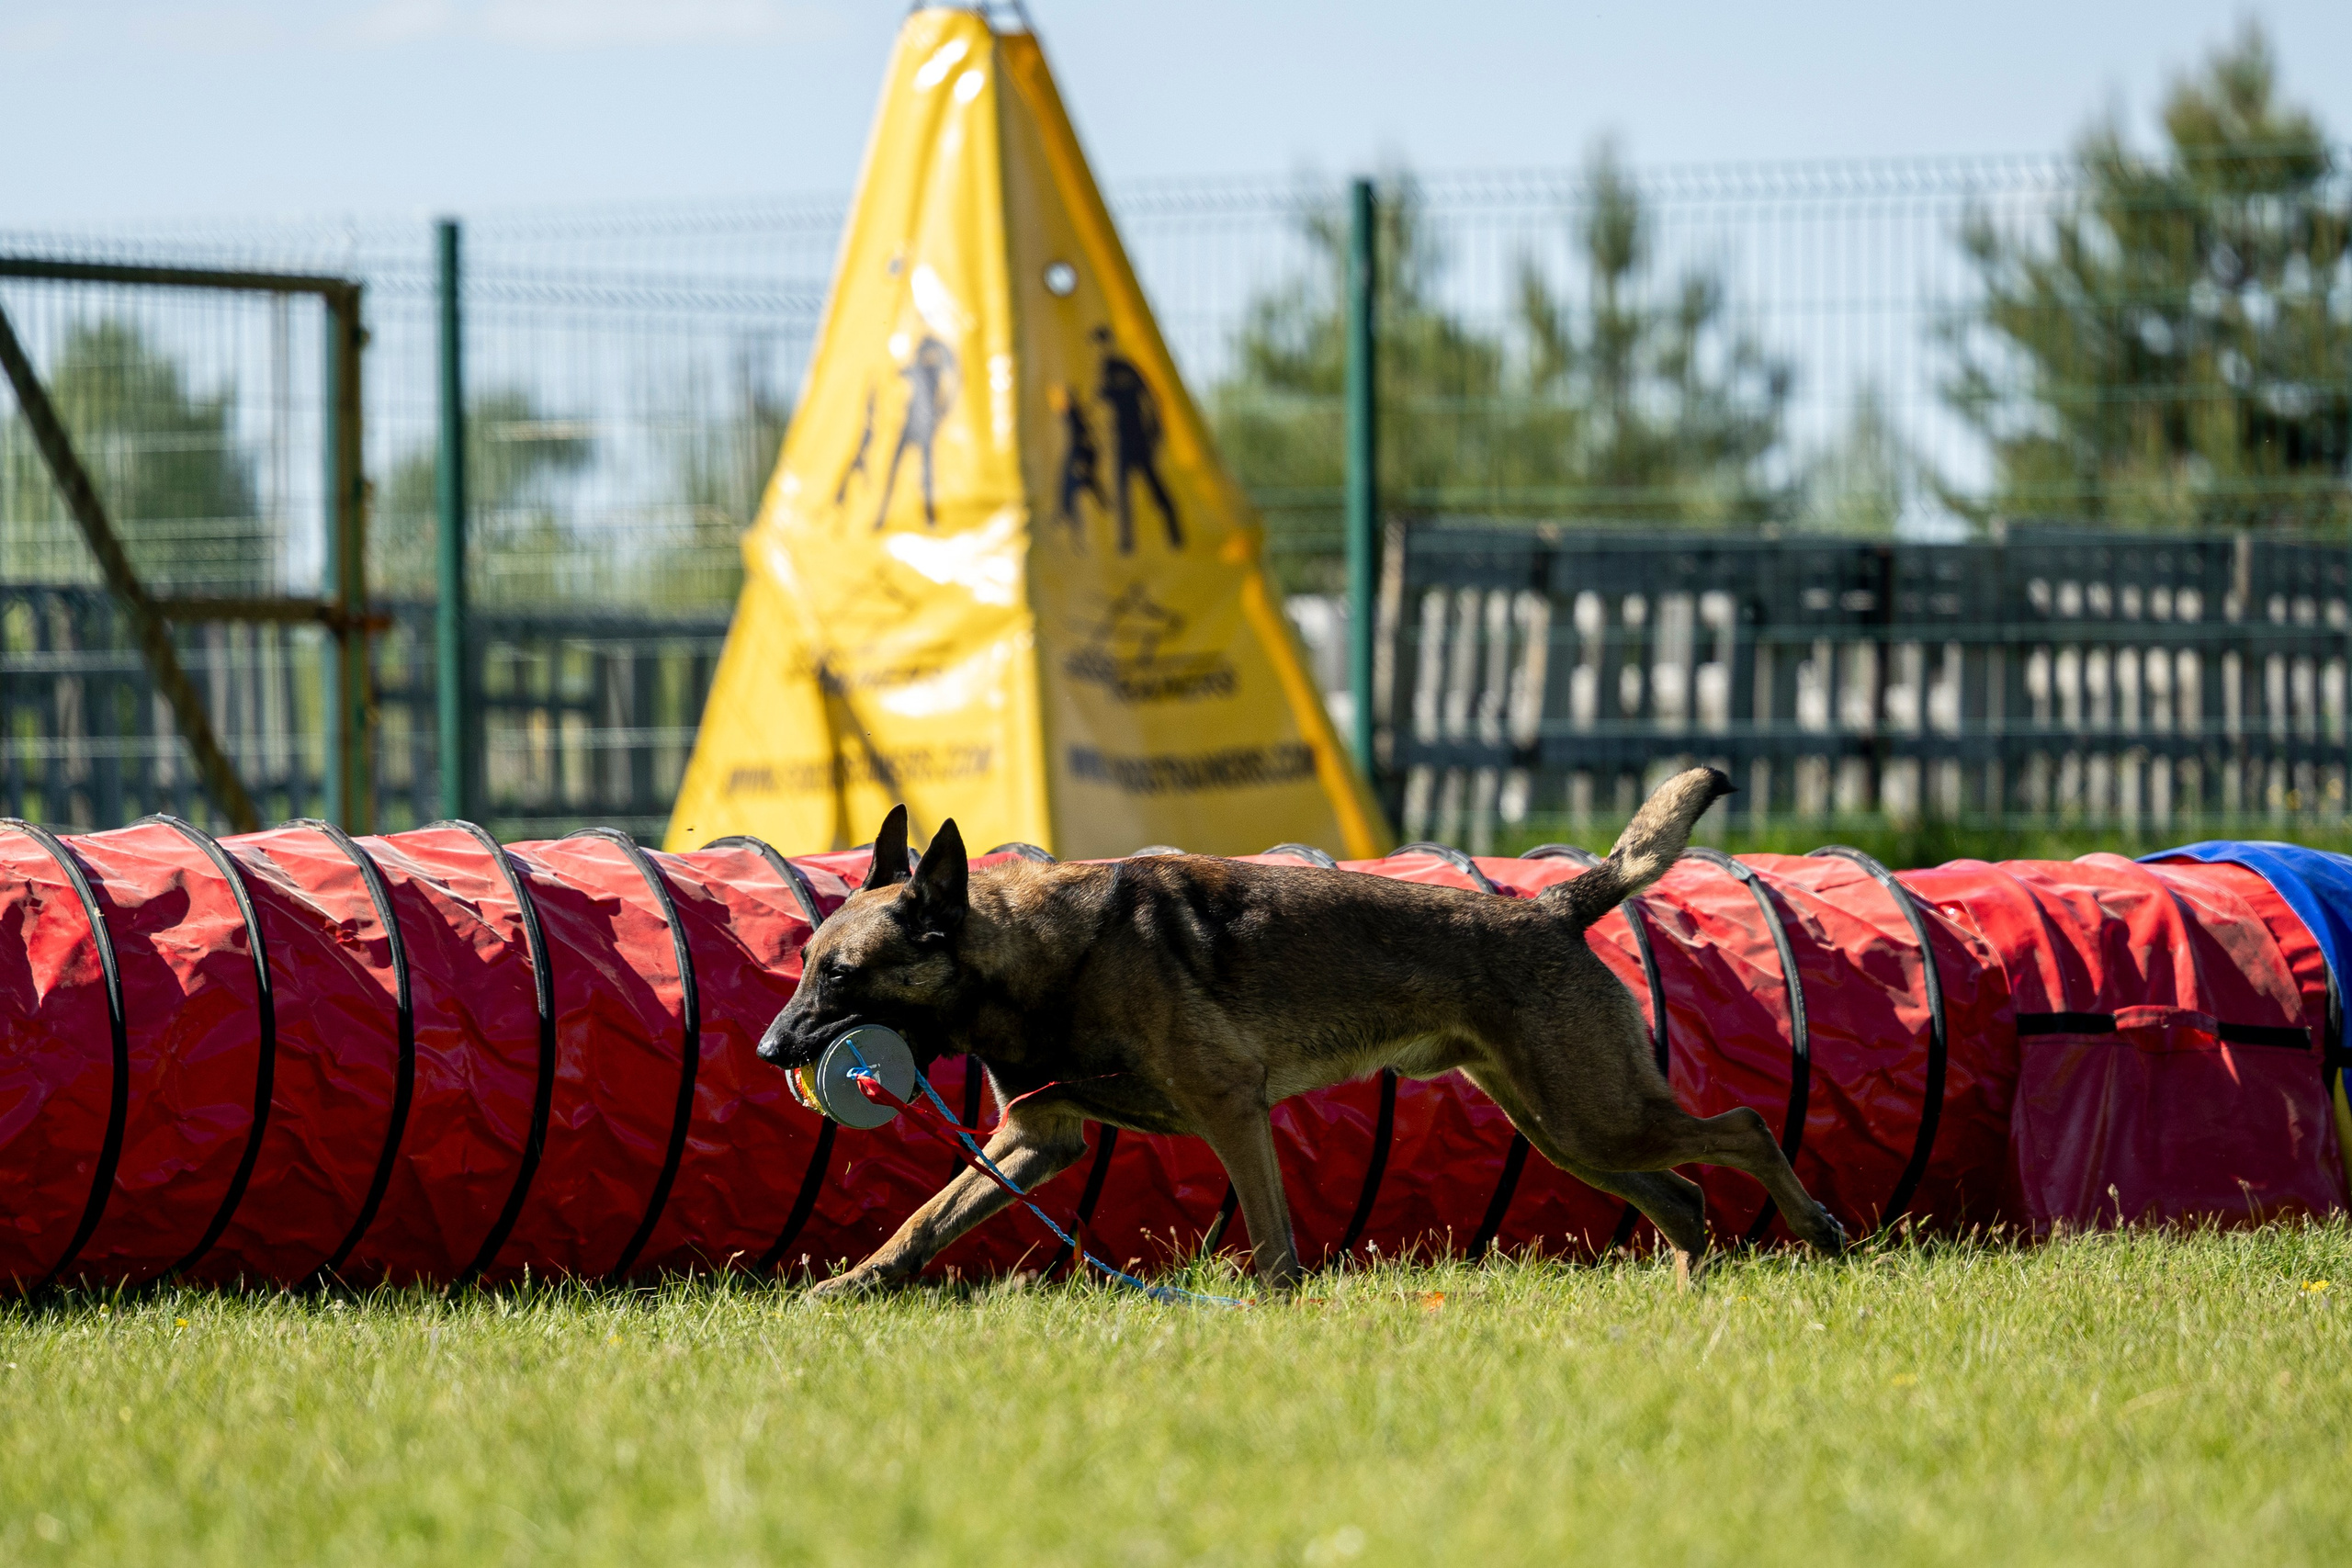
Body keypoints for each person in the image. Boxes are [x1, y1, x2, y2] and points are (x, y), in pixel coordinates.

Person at [1093, 327, 1180, 552]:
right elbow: (1100, 401)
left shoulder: (1127, 369)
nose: (1101, 349)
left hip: (1138, 438)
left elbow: (1150, 400)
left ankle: (1174, 531)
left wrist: (1155, 434)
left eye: (1103, 343)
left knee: (1154, 487)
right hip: (1121, 441)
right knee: (1122, 494)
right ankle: (1126, 544)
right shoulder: (1105, 371)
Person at [875, 335, 957, 530]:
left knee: (925, 474)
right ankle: (883, 513)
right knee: (895, 469)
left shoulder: (933, 371)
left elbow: (952, 383)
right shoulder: (918, 369)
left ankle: (929, 516)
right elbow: (893, 374)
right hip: (910, 426)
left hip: (924, 427)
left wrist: (942, 411)